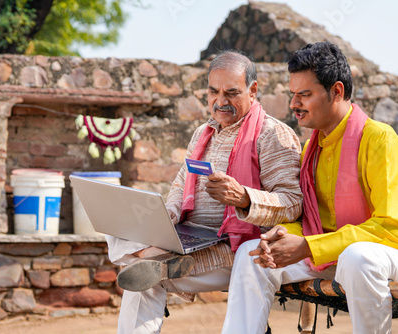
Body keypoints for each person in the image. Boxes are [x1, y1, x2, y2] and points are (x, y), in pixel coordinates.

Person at [222, 41, 398, 334]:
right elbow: (313, 224)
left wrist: (308, 246)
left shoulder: (379, 139)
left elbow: (390, 227)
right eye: (293, 94)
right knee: (252, 253)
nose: (294, 104)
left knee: (359, 256)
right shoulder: (310, 150)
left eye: (304, 94)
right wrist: (282, 237)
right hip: (335, 256)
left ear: (337, 91)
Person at [106, 50, 304, 333]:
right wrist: (168, 216)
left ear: (253, 90)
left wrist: (245, 198)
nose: (220, 102)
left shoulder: (273, 134)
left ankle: (155, 260)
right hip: (188, 235)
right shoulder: (202, 133)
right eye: (213, 91)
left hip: (231, 247)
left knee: (144, 279)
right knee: (119, 230)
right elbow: (178, 186)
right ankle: (152, 254)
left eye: (232, 93)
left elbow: (292, 202)